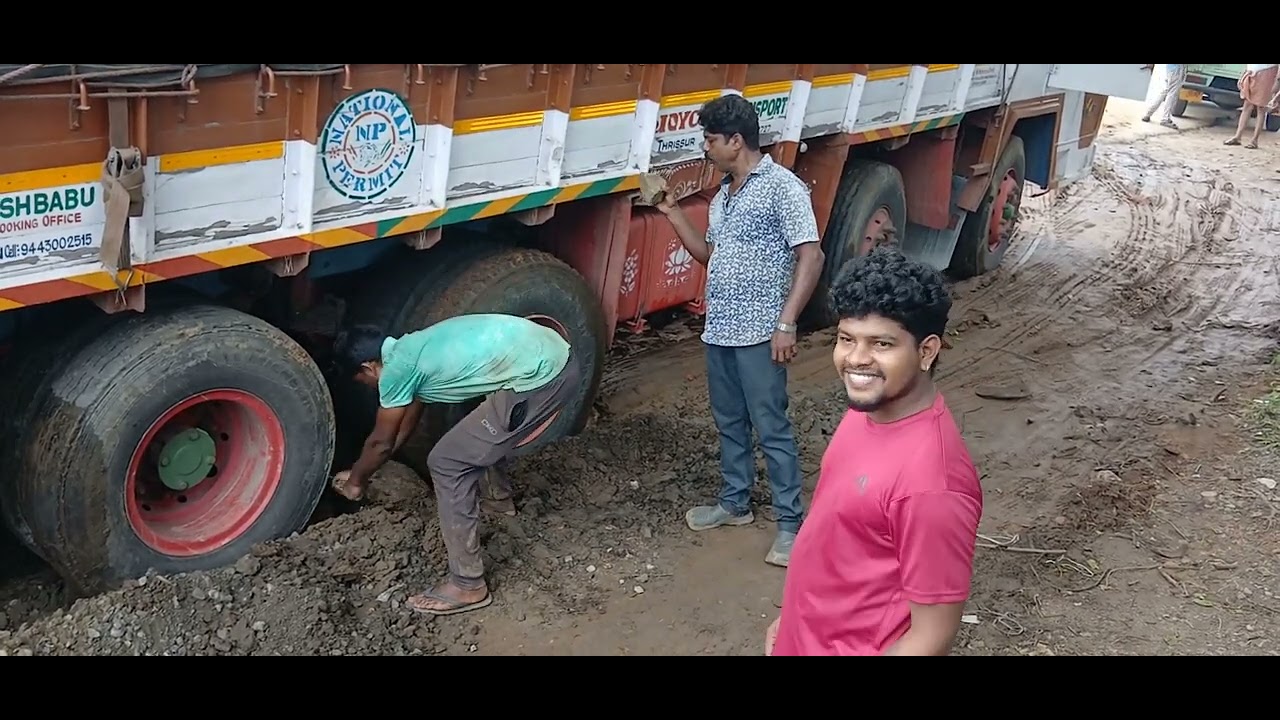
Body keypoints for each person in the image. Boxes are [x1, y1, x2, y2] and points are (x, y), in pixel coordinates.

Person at [765, 246, 983, 656]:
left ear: (927, 351)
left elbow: (931, 635)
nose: (856, 360)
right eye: (846, 339)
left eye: (882, 344)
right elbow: (841, 542)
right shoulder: (868, 412)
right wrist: (793, 620)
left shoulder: (932, 485)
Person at [655, 92, 825, 567]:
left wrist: (786, 323)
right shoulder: (723, 196)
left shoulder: (783, 188)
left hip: (761, 330)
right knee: (730, 422)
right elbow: (709, 255)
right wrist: (671, 213)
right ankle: (735, 503)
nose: (705, 148)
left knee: (771, 426)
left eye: (710, 140)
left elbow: (811, 256)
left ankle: (791, 524)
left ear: (735, 140)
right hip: (721, 329)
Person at [330, 313, 580, 616]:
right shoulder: (408, 349)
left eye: (364, 382)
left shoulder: (396, 370)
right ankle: (498, 502)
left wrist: (356, 482)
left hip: (543, 378)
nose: (371, 388)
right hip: (547, 353)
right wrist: (374, 465)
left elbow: (380, 442)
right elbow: (402, 425)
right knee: (473, 438)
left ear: (369, 367)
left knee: (447, 461)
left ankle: (468, 584)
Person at [1224, 64, 1280, 149]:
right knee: (1247, 106)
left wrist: (1277, 81)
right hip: (1252, 73)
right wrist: (1243, 74)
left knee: (1261, 108)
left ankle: (1254, 140)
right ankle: (1238, 136)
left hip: (1267, 73)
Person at [1141, 64, 1188, 129]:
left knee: (1165, 91)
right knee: (1171, 94)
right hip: (1177, 69)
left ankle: (1148, 114)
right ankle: (1165, 119)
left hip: (1170, 69)